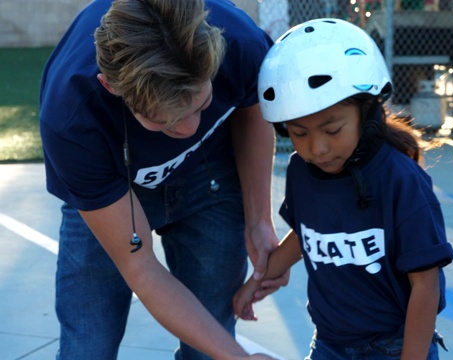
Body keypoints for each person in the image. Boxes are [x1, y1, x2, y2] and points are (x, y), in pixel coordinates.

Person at [39, 0, 287, 358]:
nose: (188, 129)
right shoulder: (71, 116)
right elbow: (142, 270)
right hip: (115, 184)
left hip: (211, 173)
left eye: (202, 105)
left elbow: (251, 106)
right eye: (164, 121)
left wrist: (259, 219)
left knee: (209, 341)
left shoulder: (241, 43)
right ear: (111, 87)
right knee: (87, 346)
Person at [233, 18, 453, 360]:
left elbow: (425, 285)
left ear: (368, 113)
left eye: (333, 129)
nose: (317, 148)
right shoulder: (301, 170)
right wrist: (259, 279)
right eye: (299, 133)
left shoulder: (401, 180)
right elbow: (307, 232)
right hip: (329, 343)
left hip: (393, 346)